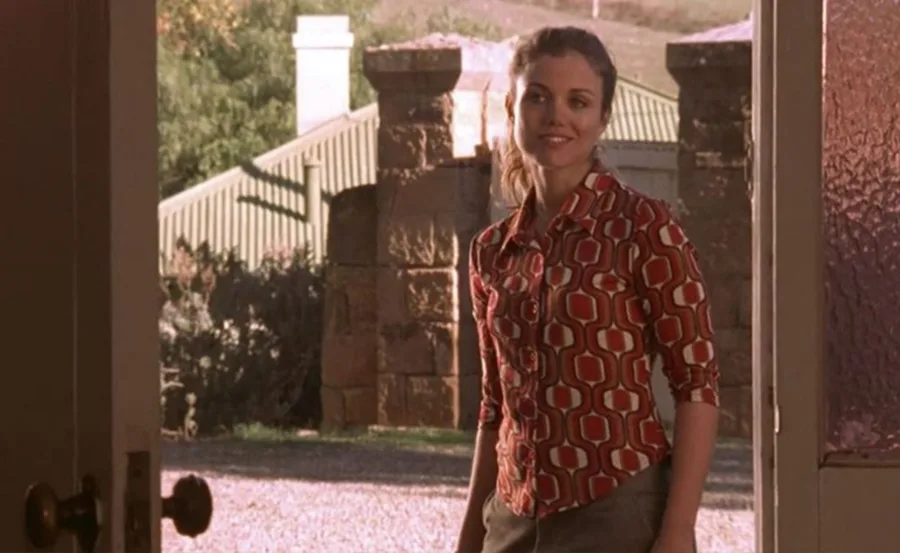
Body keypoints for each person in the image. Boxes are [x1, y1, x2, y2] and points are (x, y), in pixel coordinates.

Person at [454, 26, 720, 553]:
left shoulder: (644, 228)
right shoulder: (490, 250)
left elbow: (697, 386)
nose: (557, 116)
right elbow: (494, 408)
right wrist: (469, 539)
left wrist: (678, 529)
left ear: (602, 118)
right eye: (538, 97)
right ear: (513, 107)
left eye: (578, 101)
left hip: (617, 510)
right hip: (511, 516)